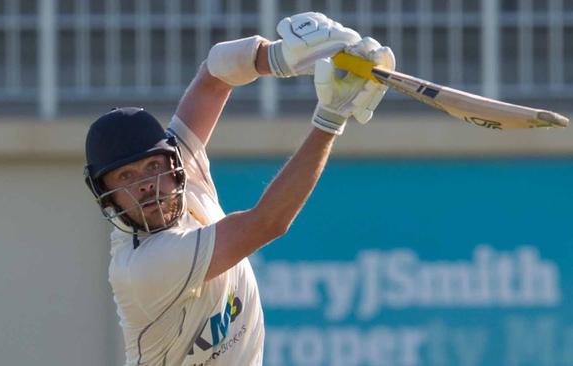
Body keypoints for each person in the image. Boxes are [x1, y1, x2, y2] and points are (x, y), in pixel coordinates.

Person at [84, 12, 395, 366]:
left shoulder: (182, 166)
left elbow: (213, 76)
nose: (147, 187)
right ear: (106, 196)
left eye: (152, 168)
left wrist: (280, 57)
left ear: (172, 164)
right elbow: (266, 224)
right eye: (126, 178)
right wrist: (331, 118)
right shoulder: (143, 267)